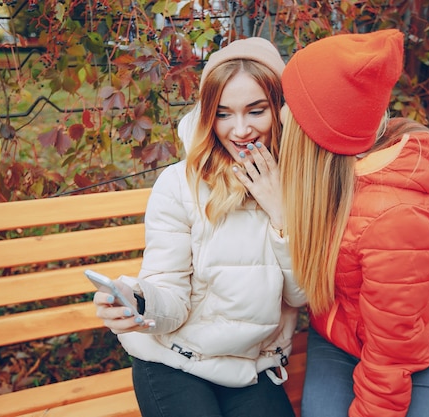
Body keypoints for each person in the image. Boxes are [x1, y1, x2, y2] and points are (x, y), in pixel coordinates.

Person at [93, 37, 306, 417]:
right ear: (209, 116)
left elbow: (301, 295)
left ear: (280, 111)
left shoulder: (302, 183)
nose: (240, 130)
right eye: (224, 114)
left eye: (256, 111)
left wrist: (279, 212)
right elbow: (170, 293)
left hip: (251, 366)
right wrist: (139, 302)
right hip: (174, 360)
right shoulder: (180, 184)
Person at [278, 29, 429, 417]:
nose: (280, 115)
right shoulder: (322, 177)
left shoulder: (395, 218)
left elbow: (392, 355)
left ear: (319, 132)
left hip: (406, 356)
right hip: (338, 339)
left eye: (289, 105)